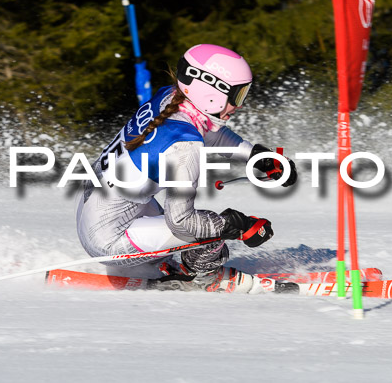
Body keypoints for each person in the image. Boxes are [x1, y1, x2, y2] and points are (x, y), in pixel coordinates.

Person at [75, 44, 297, 293]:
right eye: (238, 95)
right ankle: (207, 277)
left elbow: (209, 133)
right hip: (109, 242)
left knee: (202, 226)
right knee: (208, 230)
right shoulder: (185, 146)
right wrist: (239, 225)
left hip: (96, 212)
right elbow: (181, 222)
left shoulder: (171, 98)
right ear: (213, 92)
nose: (240, 105)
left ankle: (155, 264)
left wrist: (256, 156)